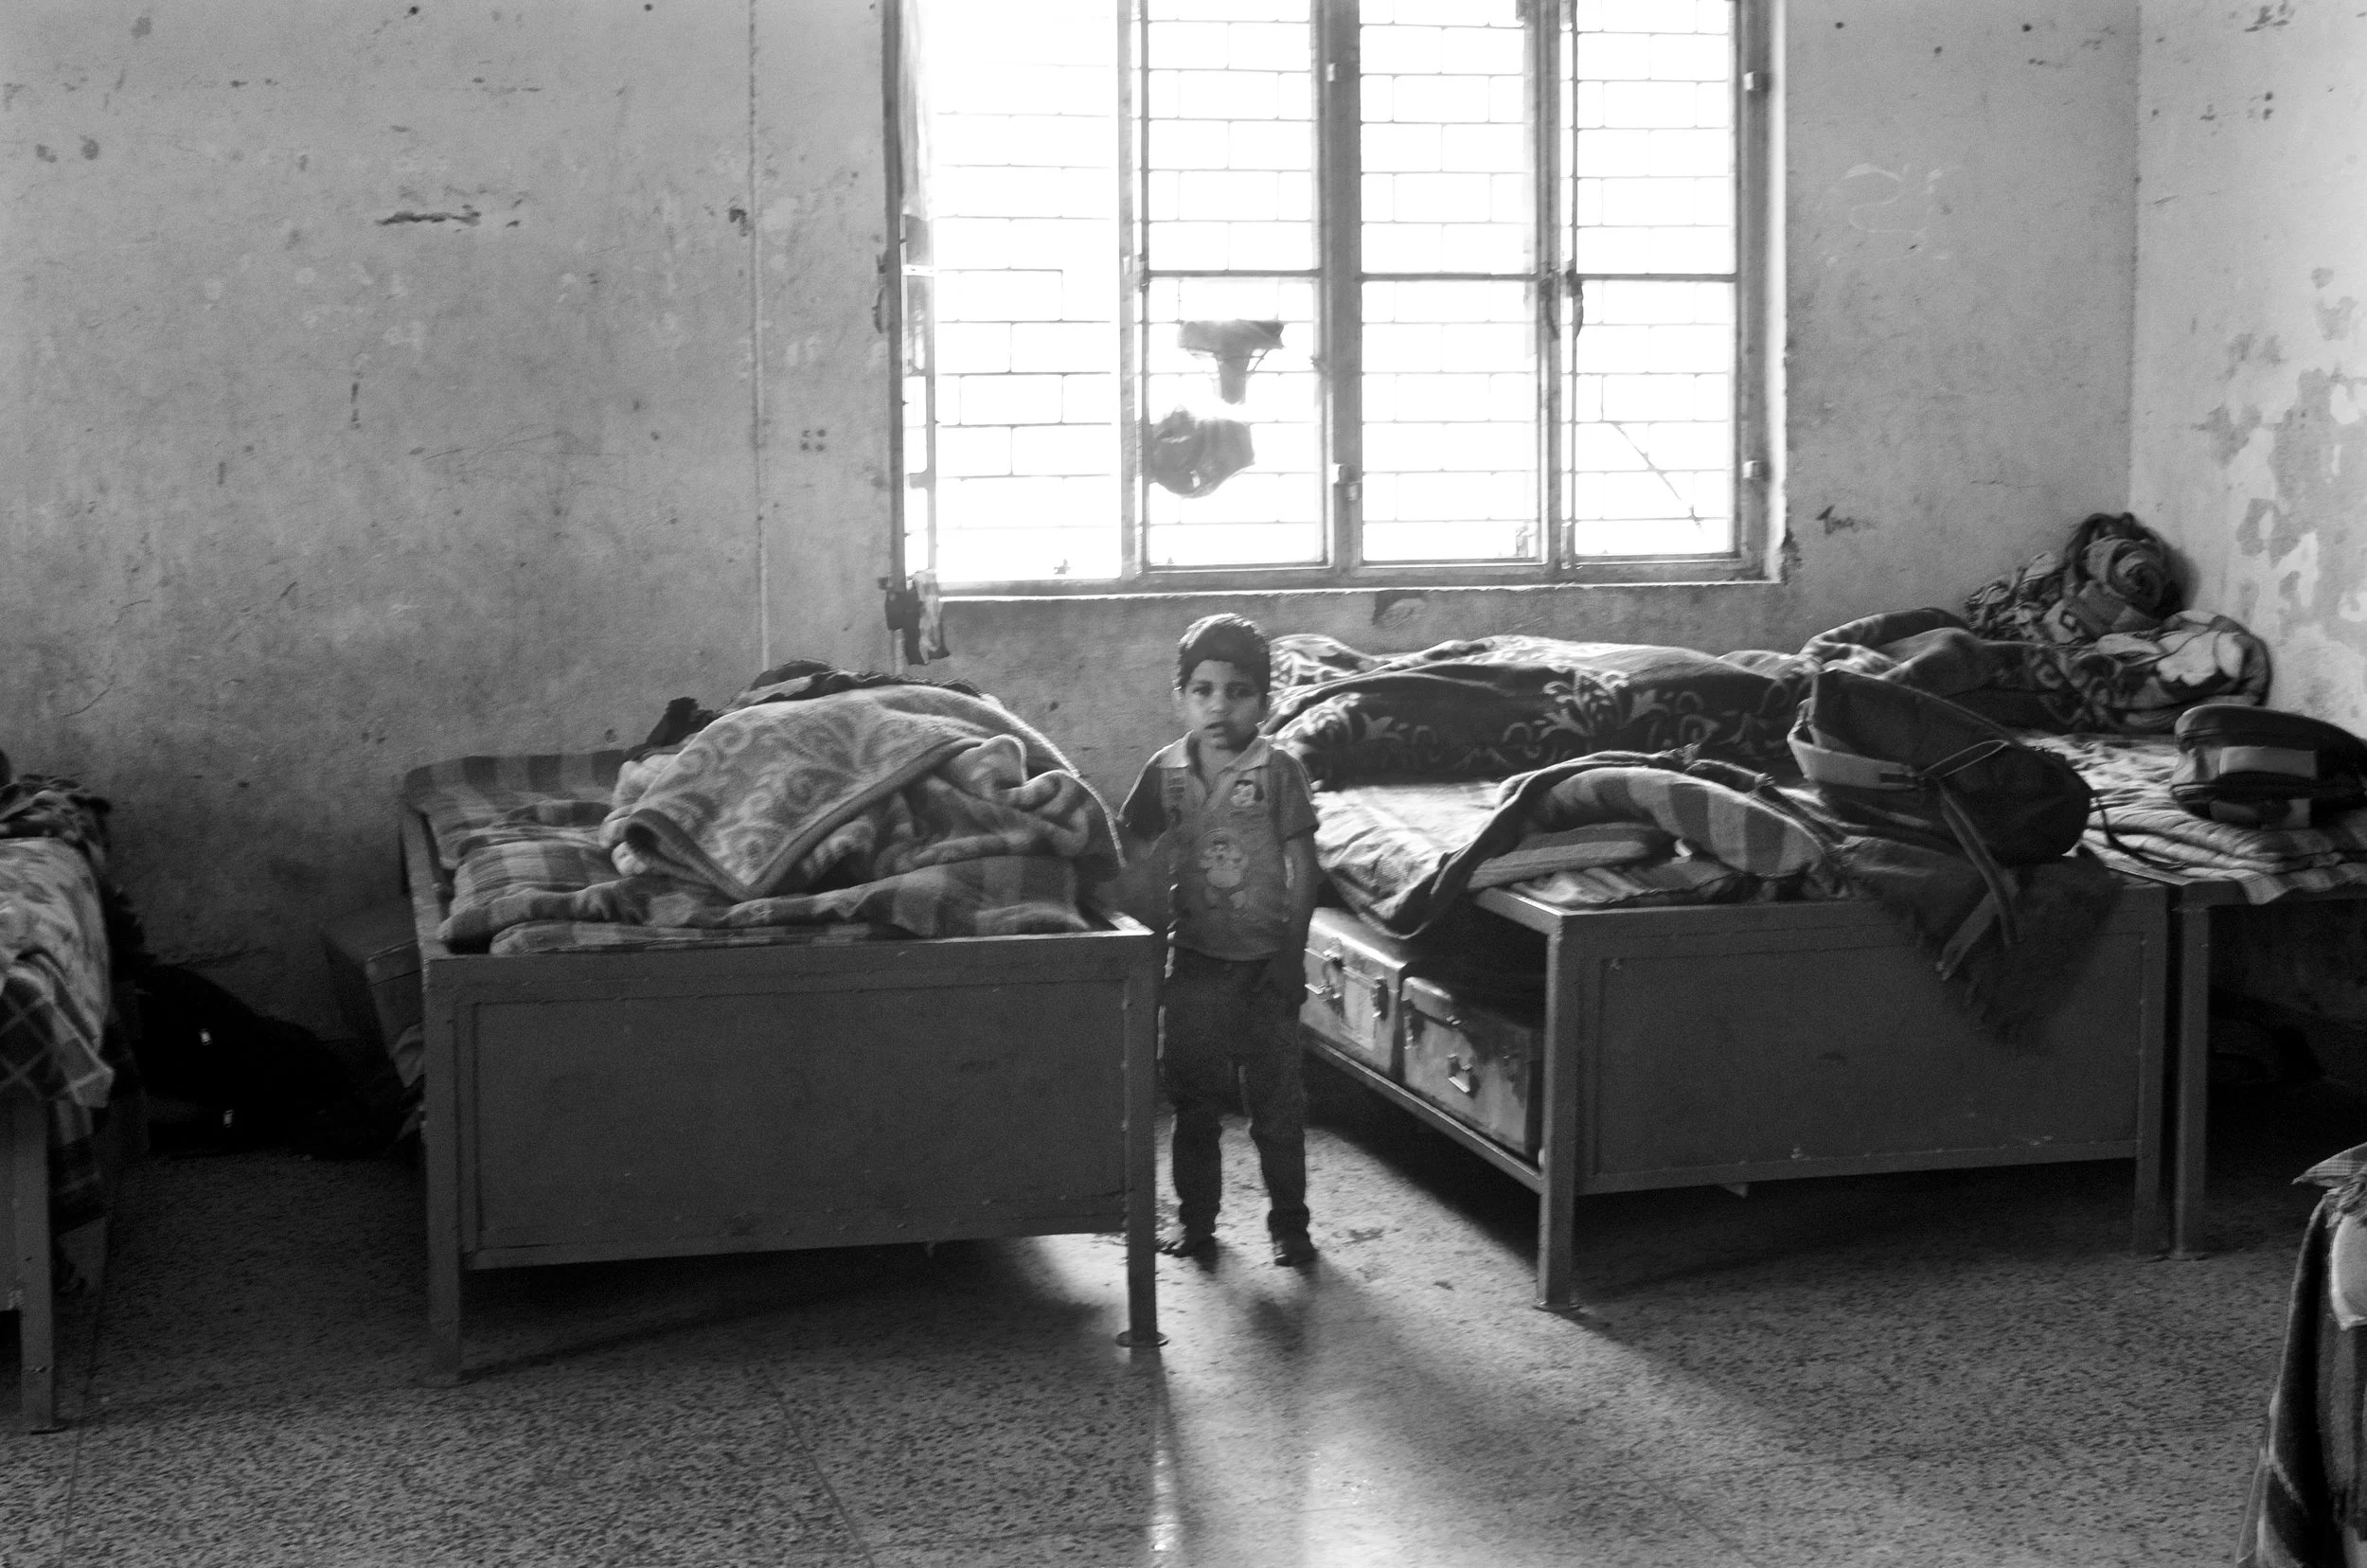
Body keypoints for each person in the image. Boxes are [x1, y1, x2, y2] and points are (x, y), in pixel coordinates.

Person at [1119, 614, 1321, 1268]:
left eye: (1237, 692)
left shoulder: (1279, 770)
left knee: (1276, 1111)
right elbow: (1134, 852)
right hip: (1196, 966)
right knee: (1193, 1106)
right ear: (1181, 696)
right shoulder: (1166, 770)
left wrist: (1292, 957)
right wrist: (1143, 946)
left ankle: (1290, 1225)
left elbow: (1304, 865)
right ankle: (1196, 1223)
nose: (1218, 706)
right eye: (1202, 690)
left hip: (1266, 969)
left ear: (1263, 701)